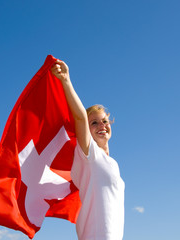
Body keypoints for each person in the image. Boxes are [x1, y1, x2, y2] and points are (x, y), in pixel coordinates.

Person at [51, 60, 125, 240]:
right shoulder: (89, 154)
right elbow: (79, 118)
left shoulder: (112, 163)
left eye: (104, 121)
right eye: (94, 123)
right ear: (87, 130)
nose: (102, 125)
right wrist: (66, 81)